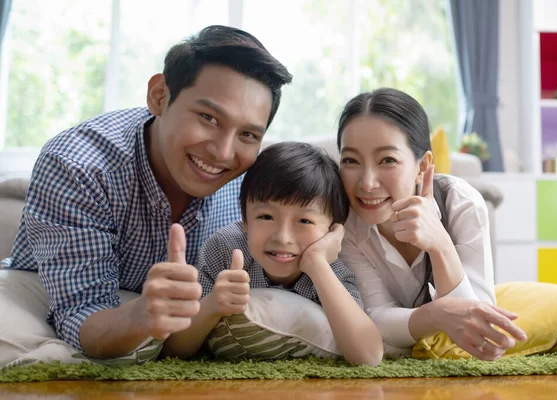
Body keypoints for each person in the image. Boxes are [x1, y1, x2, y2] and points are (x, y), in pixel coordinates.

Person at [0, 25, 292, 359]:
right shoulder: (79, 165)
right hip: (47, 301)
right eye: (208, 117)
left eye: (248, 134)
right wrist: (142, 314)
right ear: (159, 96)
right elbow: (81, 313)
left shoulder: (253, 180)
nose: (223, 152)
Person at [336, 88, 527, 361]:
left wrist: (440, 245)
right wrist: (436, 315)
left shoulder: (461, 203)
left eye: (387, 160)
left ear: (423, 166)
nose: (367, 183)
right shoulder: (346, 223)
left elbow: (480, 328)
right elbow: (373, 317)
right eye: (351, 161)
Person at [161, 142, 384, 366]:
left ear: (333, 230)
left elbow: (369, 356)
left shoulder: (332, 270)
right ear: (245, 220)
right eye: (266, 217)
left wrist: (316, 264)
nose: (282, 237)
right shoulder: (225, 250)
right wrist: (212, 305)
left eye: (305, 220)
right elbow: (174, 350)